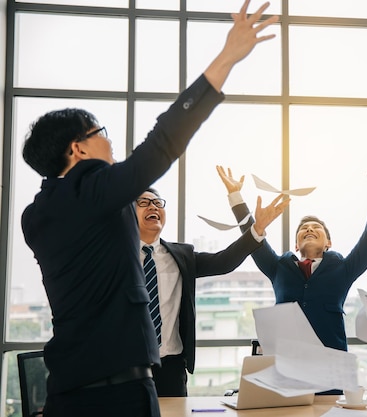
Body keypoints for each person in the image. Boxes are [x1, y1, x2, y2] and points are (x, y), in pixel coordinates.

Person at [20, 2, 279, 416]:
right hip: (119, 394)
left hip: (67, 391)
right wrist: (227, 57)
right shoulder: (92, 191)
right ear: (78, 148)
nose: (109, 142)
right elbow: (161, 143)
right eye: (100, 133)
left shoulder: (36, 215)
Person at [216, 165, 367, 352]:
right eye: (304, 228)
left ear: (329, 243)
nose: (309, 229)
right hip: (285, 360)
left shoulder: (344, 269)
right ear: (296, 245)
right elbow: (252, 235)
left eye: (316, 227)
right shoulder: (278, 267)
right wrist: (235, 195)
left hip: (330, 362)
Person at [135, 187, 288, 397]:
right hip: (127, 367)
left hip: (171, 367)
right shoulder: (116, 256)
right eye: (143, 202)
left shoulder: (182, 256)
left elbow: (223, 261)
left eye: (158, 202)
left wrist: (257, 228)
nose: (153, 206)